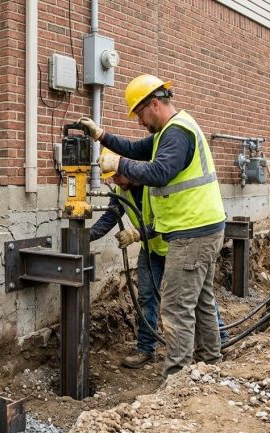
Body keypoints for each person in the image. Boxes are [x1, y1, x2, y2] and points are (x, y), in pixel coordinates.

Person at [79, 74, 227, 377]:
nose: (139, 122)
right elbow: (135, 148)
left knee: (175, 308)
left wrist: (117, 164)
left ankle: (176, 379)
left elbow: (159, 173)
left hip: (192, 232)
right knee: (199, 302)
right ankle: (210, 364)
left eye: (139, 114)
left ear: (155, 104)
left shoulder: (176, 133)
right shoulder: (167, 133)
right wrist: (102, 136)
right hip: (201, 228)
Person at [90, 154, 228, 369]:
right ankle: (146, 349)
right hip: (151, 250)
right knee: (146, 297)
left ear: (131, 168)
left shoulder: (153, 185)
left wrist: (137, 234)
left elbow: (165, 221)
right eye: (111, 177)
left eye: (117, 175)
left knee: (197, 294)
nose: (114, 181)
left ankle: (221, 339)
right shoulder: (120, 190)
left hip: (176, 247)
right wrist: (84, 237)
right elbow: (110, 217)